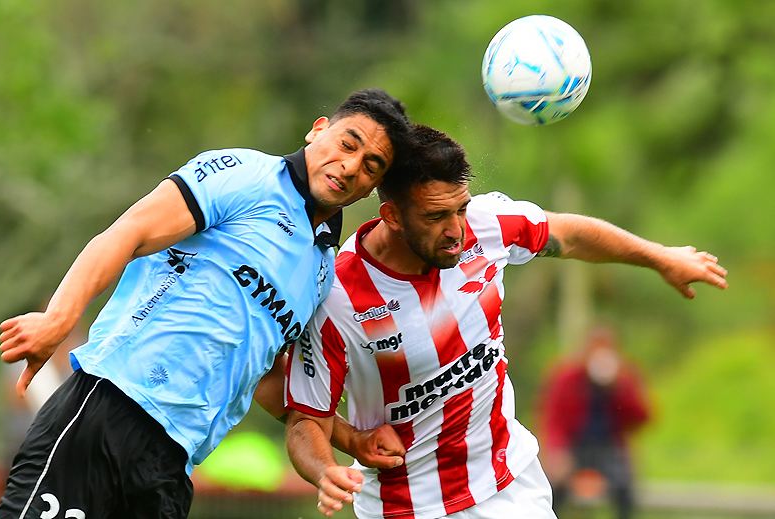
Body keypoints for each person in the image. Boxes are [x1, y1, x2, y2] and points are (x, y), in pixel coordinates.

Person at [0, 88, 413, 519]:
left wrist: (350, 438)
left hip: (173, 464)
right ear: (317, 130)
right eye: (348, 144)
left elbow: (267, 376)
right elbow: (130, 232)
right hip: (107, 410)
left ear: (372, 189)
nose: (350, 166)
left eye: (371, 166)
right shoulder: (247, 175)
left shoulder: (322, 269)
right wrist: (59, 318)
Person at [284, 124, 728, 519]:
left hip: (510, 484)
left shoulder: (485, 223)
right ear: (393, 216)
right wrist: (326, 469)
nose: (457, 229)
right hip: (409, 506)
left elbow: (569, 235)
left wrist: (659, 257)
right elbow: (306, 418)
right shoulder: (337, 297)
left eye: (460, 208)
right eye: (436, 216)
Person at [539, 325, 650, 519]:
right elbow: (553, 418)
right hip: (574, 445)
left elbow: (641, 417)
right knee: (553, 488)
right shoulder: (566, 378)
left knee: (624, 488)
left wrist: (619, 387)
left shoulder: (625, 378)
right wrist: (557, 452)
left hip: (609, 446)